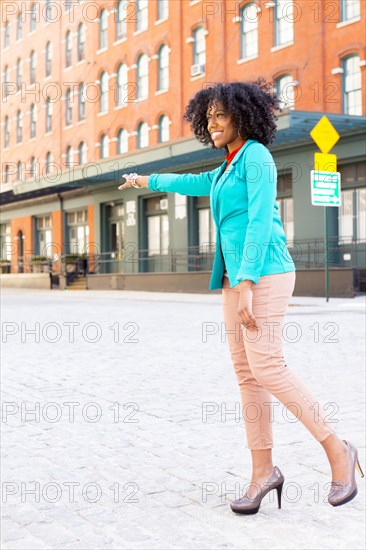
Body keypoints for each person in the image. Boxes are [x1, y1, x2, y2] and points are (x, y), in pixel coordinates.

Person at [117, 79, 364, 513]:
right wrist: (144, 178)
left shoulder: (257, 158)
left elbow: (257, 223)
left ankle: (338, 449)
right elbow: (193, 183)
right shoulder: (229, 165)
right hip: (238, 277)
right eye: (207, 117)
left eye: (220, 115)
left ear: (242, 116)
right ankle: (263, 472)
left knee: (268, 367)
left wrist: (247, 283)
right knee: (247, 375)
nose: (212, 123)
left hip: (263, 272)